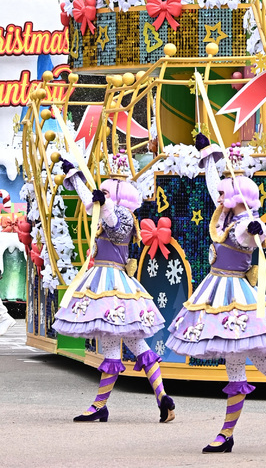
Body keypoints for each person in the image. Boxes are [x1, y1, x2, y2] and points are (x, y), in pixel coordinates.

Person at [166, 135, 266, 455]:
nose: (219, 195)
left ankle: (226, 434)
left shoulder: (246, 222)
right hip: (221, 289)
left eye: (225, 192)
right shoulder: (225, 216)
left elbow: (256, 235)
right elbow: (214, 186)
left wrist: (256, 231)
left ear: (237, 196)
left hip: (232, 297)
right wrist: (207, 153)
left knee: (237, 367)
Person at [53, 166, 174, 423]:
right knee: (138, 345)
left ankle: (100, 405)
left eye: (106, 191)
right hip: (108, 282)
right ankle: (163, 398)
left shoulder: (124, 216)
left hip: (111, 285)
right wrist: (75, 176)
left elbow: (113, 224)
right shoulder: (109, 209)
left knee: (111, 347)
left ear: (118, 195)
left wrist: (105, 203)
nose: (102, 195)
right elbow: (92, 203)